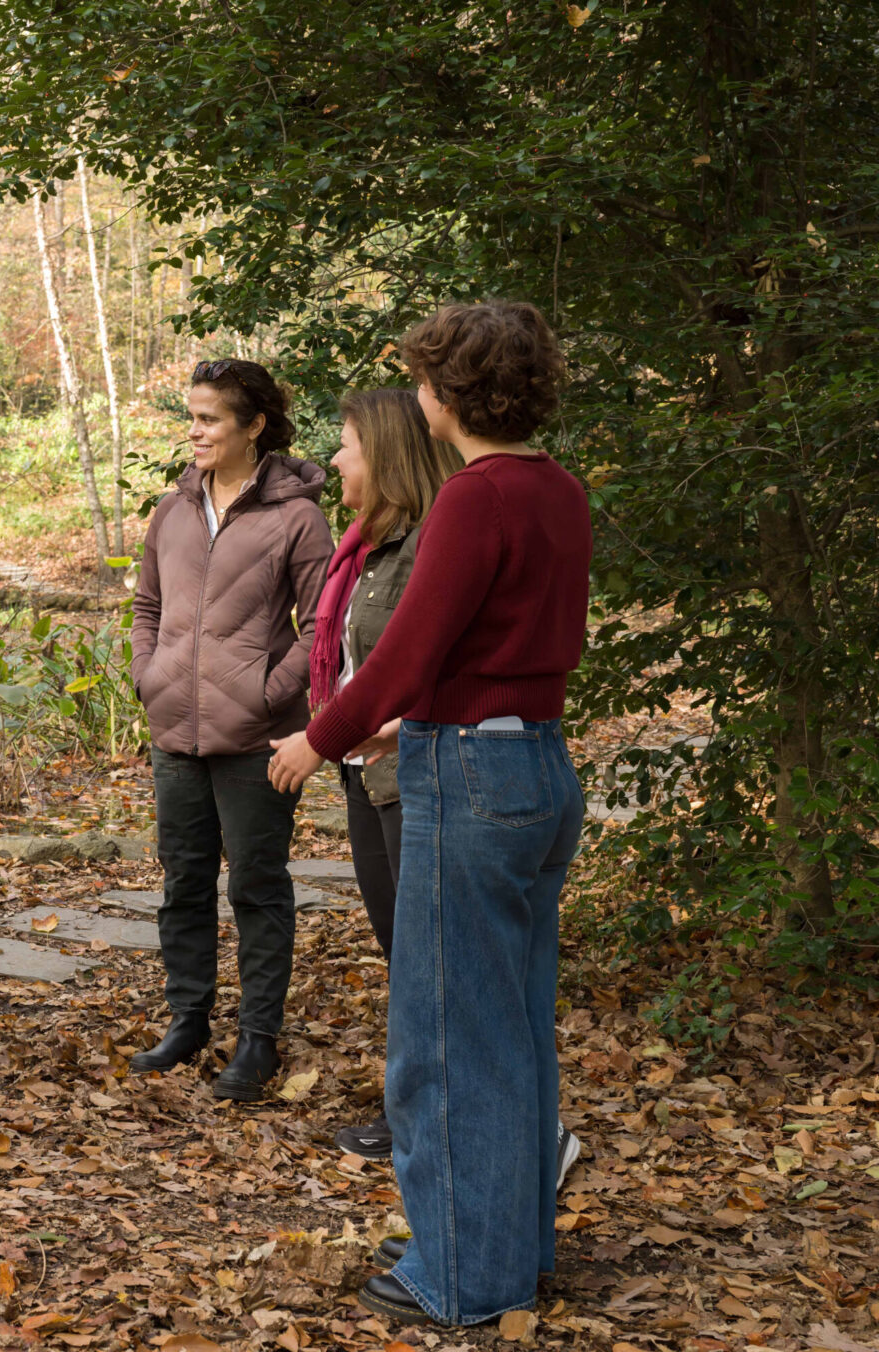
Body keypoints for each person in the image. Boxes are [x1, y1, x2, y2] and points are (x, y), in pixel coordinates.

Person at [269, 301, 590, 1327]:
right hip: (538, 763)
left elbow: (410, 650)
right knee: (511, 1028)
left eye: (421, 380)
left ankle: (459, 1275)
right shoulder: (558, 489)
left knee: (445, 1036)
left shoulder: (473, 496)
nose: (415, 397)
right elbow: (503, 643)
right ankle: (501, 1247)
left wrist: (318, 737)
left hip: (471, 775)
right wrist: (394, 726)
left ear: (450, 394)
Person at [127, 358, 333, 1100]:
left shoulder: (298, 518)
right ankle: (188, 1021)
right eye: (192, 417)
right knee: (183, 882)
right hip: (174, 734)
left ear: (254, 426)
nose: (195, 431)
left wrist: (265, 695)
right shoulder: (172, 510)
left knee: (256, 886)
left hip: (257, 740)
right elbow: (148, 608)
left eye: (209, 418)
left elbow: (323, 628)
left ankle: (258, 1039)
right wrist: (149, 675)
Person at [313, 389, 463, 1156]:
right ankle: (420, 1109)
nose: (336, 459)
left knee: (430, 961)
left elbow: (439, 666)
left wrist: (366, 729)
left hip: (415, 775)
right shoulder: (366, 547)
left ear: (385, 454)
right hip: (364, 774)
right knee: (401, 951)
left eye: (347, 444)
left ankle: (437, 1118)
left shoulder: (429, 547)